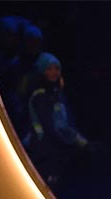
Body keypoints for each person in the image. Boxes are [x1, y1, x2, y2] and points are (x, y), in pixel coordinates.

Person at [22, 52, 92, 188]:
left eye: (56, 68)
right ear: (42, 71)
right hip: (44, 153)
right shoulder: (41, 96)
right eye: (49, 69)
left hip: (56, 152)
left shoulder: (56, 94)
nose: (54, 72)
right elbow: (55, 127)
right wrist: (81, 141)